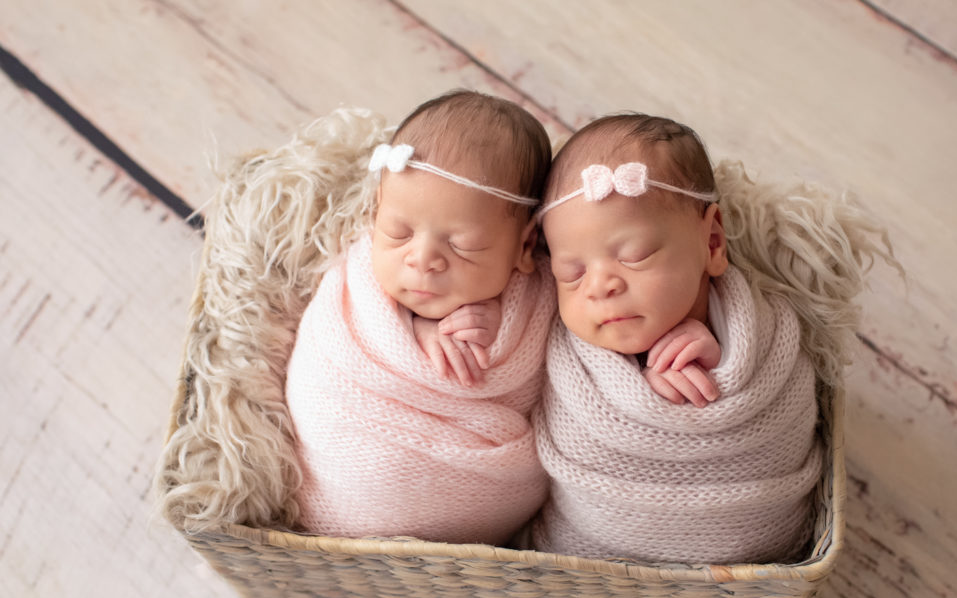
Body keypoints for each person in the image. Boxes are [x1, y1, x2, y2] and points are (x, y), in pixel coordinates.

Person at [527, 113, 875, 564]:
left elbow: (777, 423)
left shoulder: (765, 335)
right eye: (570, 273)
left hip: (747, 546)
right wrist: (643, 390)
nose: (599, 287)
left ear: (712, 242)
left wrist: (721, 357)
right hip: (591, 549)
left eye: (635, 255)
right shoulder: (569, 355)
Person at [285, 91, 556, 545]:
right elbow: (327, 359)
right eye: (398, 232)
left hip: (479, 506)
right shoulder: (359, 285)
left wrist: (499, 326)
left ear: (526, 247)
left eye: (462, 244)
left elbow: (554, 388)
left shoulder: (539, 298)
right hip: (348, 464)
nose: (422, 259)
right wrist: (412, 327)